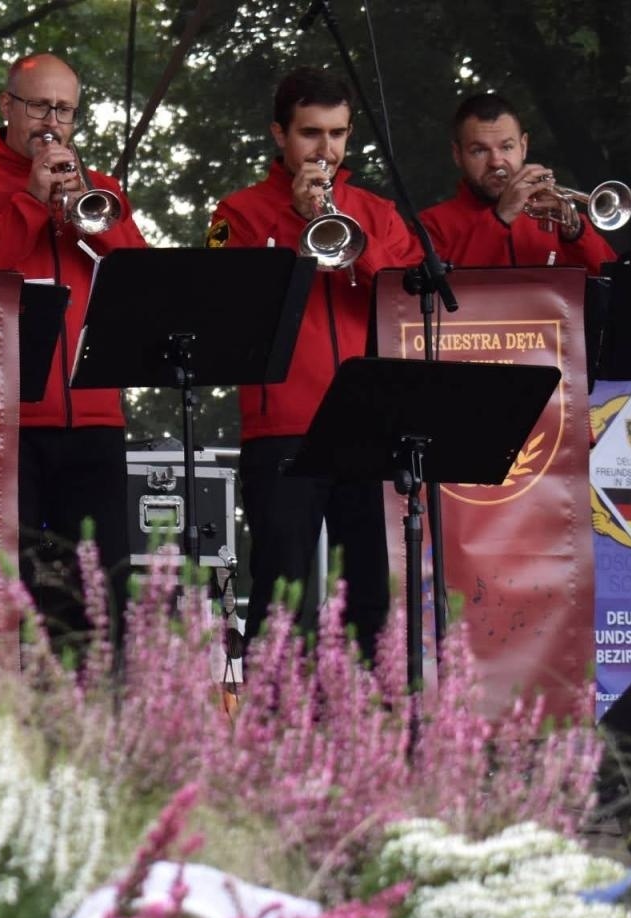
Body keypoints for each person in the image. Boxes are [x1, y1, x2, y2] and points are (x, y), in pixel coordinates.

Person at [207, 66, 422, 659]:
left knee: (372, 601)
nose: (325, 150)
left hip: (365, 424)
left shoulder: (374, 211)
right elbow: (232, 305)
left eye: (337, 134)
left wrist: (351, 235)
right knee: (282, 601)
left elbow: (404, 293)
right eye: (310, 134)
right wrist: (294, 226)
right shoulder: (240, 211)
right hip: (282, 430)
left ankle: (365, 737)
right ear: (280, 134)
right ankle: (273, 739)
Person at [0, 52, 147, 642]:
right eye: (40, 106)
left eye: (66, 110)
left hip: (95, 418)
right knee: (2, 598)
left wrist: (94, 223)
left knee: (102, 597)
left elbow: (143, 285)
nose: (53, 121)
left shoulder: (100, 189)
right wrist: (28, 203)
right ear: (7, 107)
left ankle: (97, 726)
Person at [420, 93, 616, 275]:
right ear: (457, 155)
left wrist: (576, 235)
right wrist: (500, 218)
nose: (496, 161)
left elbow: (615, 287)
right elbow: (440, 295)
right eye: (479, 150)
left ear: (523, 147)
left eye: (507, 147)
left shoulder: (556, 216)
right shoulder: (430, 226)